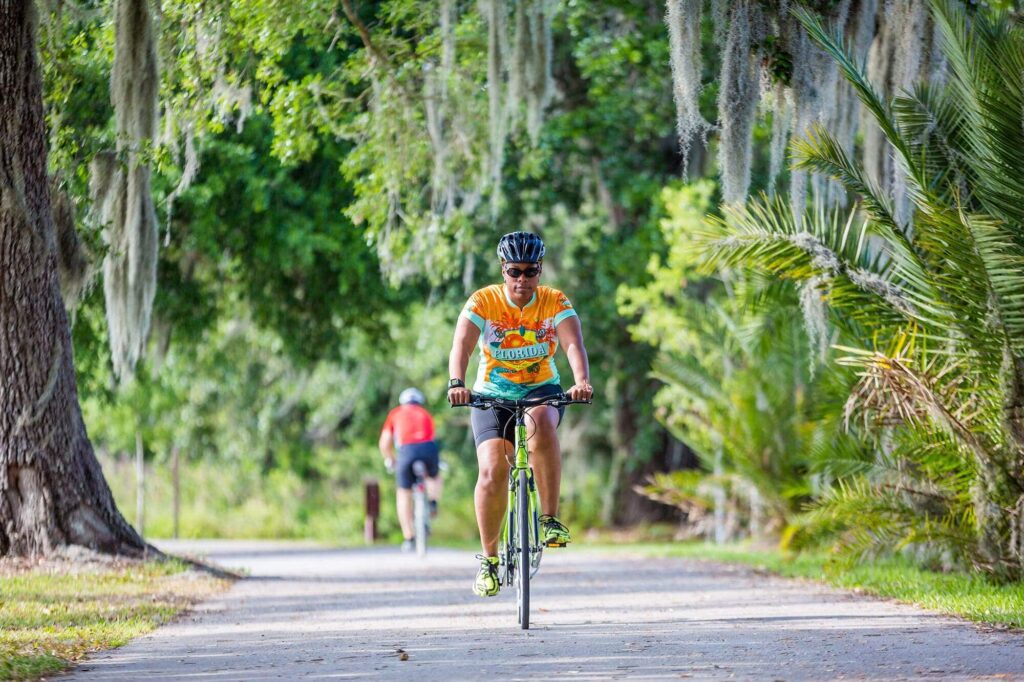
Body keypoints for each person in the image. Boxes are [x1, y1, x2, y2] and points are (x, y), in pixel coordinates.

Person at [447, 231, 593, 597]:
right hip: (491, 395)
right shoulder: (484, 300)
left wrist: (582, 381)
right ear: (503, 270)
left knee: (543, 422)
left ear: (540, 271)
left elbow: (573, 342)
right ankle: (490, 560)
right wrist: (456, 382)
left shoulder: (554, 300)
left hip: (541, 388)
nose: (522, 280)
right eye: (515, 271)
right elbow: (462, 344)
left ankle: (549, 520)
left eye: (531, 271)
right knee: (492, 469)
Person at [379, 387, 443, 552]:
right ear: (419, 402)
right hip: (428, 449)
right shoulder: (425, 414)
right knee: (434, 476)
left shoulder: (395, 413)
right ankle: (433, 501)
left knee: (403, 492)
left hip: (406, 451)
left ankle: (409, 536)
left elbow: (385, 442)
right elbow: (432, 437)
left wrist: (390, 459)